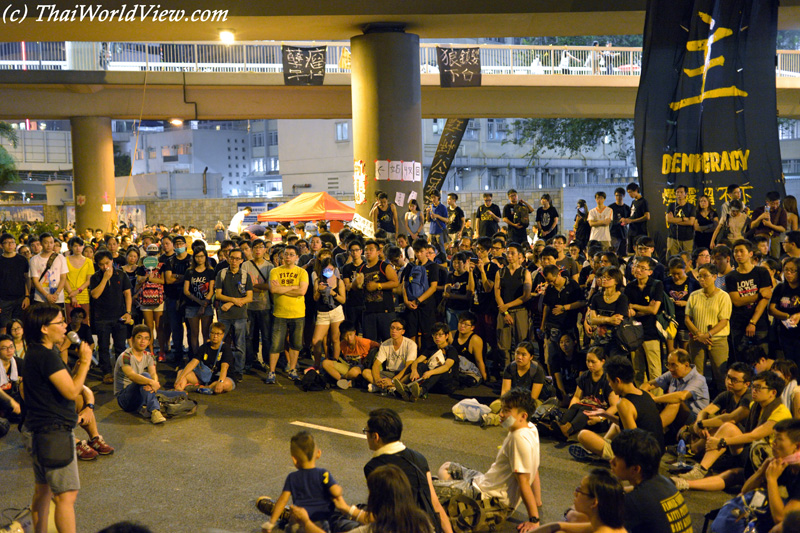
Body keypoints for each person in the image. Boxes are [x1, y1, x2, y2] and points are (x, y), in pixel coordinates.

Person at [22, 302, 93, 533]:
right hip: (54, 432)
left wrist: (76, 368)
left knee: (43, 491)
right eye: (60, 322)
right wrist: (85, 361)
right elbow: (72, 391)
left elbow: (63, 383)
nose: (65, 326)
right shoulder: (46, 355)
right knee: (66, 496)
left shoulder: (36, 351)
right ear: (44, 328)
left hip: (39, 431)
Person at [435, 388, 541, 531]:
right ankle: (456, 497)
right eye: (502, 409)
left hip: (488, 497)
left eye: (507, 411)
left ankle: (462, 502)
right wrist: (538, 501)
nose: (501, 414)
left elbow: (523, 481)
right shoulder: (531, 428)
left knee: (427, 489)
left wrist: (534, 520)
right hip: (485, 482)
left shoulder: (518, 438)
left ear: (523, 415)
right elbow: (534, 469)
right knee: (447, 467)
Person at [674, 370, 790, 486]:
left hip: (766, 458)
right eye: (754, 386)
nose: (754, 390)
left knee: (732, 473)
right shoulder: (754, 405)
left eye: (759, 387)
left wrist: (722, 441)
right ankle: (697, 471)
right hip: (752, 450)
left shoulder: (780, 413)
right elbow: (722, 416)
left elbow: (754, 435)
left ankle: (693, 475)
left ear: (773, 392)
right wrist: (700, 424)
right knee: (727, 427)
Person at [362, 408, 452, 533]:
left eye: (366, 431)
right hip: (430, 526)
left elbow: (382, 516)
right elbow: (434, 503)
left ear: (375, 436)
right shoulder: (419, 458)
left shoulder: (374, 468)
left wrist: (350, 511)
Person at [258, 431, 359, 533]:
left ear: (294, 460)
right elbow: (336, 492)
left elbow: (282, 500)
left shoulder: (292, 477)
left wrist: (271, 522)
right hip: (320, 522)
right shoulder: (324, 474)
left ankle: (285, 518)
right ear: (318, 454)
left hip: (298, 521)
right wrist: (338, 489)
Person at [572, 356, 664, 461]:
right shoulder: (644, 394)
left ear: (617, 381)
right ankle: (601, 448)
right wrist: (605, 414)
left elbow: (634, 440)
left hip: (643, 456)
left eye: (609, 381)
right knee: (616, 425)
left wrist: (617, 450)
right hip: (657, 450)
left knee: (583, 435)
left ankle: (604, 453)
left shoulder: (624, 404)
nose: (610, 385)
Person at [679, 362, 752, 459]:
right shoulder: (728, 394)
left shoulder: (749, 398)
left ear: (746, 384)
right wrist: (700, 425)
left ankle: (693, 449)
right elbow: (704, 411)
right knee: (709, 421)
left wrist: (701, 424)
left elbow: (731, 419)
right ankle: (692, 446)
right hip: (726, 440)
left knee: (725, 424)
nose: (729, 382)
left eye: (734, 380)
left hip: (744, 443)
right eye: (728, 377)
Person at [641, 349, 710, 434]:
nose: (670, 369)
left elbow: (681, 396)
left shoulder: (698, 379)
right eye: (668, 365)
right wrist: (643, 393)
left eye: (673, 365)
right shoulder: (673, 374)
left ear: (686, 365)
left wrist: (654, 399)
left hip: (694, 420)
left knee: (675, 402)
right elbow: (648, 384)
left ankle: (653, 430)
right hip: (674, 416)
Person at [536, 468, 626, 533]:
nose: (575, 494)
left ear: (594, 502)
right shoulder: (607, 524)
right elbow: (559, 525)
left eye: (580, 490)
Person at [90, 250, 133, 385]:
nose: (105, 267)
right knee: (103, 346)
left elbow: (127, 294)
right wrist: (105, 278)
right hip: (102, 317)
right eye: (101, 264)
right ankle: (106, 372)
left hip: (119, 316)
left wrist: (128, 312)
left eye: (107, 263)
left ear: (112, 261)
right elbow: (95, 295)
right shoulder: (96, 277)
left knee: (120, 346)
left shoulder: (121, 275)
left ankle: (122, 371)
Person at [727, 239, 772, 363]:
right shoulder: (731, 276)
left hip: (760, 323)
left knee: (762, 360)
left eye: (741, 251)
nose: (738, 254)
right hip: (738, 323)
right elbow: (736, 301)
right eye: (735, 252)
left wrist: (753, 322)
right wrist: (759, 296)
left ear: (750, 253)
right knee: (741, 361)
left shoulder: (761, 272)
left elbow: (765, 300)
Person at [557, 347, 617, 440]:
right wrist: (571, 411)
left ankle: (568, 430)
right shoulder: (585, 376)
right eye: (588, 361)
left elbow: (614, 406)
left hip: (599, 415)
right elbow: (576, 397)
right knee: (575, 407)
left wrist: (600, 418)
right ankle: (560, 427)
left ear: (602, 361)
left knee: (584, 410)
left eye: (593, 362)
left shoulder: (608, 379)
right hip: (585, 406)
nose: (590, 365)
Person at [113, 325, 167, 424]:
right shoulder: (125, 356)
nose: (143, 341)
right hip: (125, 398)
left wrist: (154, 384)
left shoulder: (149, 356)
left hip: (142, 391)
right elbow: (132, 376)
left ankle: (146, 406)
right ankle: (155, 411)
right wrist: (151, 382)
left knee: (180, 394)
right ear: (133, 339)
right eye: (139, 337)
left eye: (146, 338)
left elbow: (154, 373)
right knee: (145, 376)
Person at [624, 256, 664, 385]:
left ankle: (657, 399)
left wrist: (635, 307)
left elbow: (654, 310)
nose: (638, 270)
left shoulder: (657, 284)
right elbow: (628, 311)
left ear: (650, 272)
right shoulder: (629, 287)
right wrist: (645, 309)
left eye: (642, 268)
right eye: (636, 266)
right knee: (637, 369)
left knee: (654, 369)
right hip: (634, 333)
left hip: (651, 331)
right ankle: (641, 397)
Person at [215, 248, 253, 383]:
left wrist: (231, 302)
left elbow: (249, 297)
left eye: (237, 259)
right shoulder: (222, 273)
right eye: (232, 258)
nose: (234, 261)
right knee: (218, 342)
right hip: (224, 315)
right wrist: (234, 300)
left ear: (242, 260)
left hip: (240, 315)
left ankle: (238, 371)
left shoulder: (244, 275)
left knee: (240, 345)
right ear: (228, 258)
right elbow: (218, 294)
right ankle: (217, 367)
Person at [396, 322, 458, 401]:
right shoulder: (431, 348)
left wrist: (430, 372)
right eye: (435, 335)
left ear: (446, 336)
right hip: (432, 383)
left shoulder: (451, 350)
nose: (437, 337)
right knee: (421, 365)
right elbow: (416, 362)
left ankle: (419, 391)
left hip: (447, 384)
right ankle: (410, 389)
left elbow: (446, 367)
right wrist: (414, 371)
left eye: (440, 335)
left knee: (439, 369)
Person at [495, 242, 532, 367]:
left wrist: (508, 306)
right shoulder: (500, 273)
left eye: (512, 253)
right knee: (504, 346)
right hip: (504, 312)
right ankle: (507, 373)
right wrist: (505, 312)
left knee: (521, 343)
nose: (509, 256)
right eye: (507, 253)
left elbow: (526, 296)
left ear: (519, 255)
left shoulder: (525, 273)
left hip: (520, 311)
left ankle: (520, 372)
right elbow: (497, 294)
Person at [354, 239, 399, 343]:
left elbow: (395, 282)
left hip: (385, 311)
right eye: (366, 250)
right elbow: (354, 287)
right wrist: (356, 282)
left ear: (378, 252)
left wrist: (378, 286)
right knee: (370, 343)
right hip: (368, 312)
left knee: (388, 342)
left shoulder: (384, 266)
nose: (368, 252)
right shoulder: (361, 269)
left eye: (371, 249)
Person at [174, 322, 235, 394]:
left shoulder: (226, 348)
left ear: (223, 335)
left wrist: (220, 381)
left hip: (221, 377)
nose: (215, 336)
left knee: (226, 384)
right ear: (209, 334)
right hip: (204, 377)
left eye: (218, 334)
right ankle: (180, 390)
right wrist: (180, 378)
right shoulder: (204, 347)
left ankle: (202, 388)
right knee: (181, 372)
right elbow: (193, 363)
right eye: (213, 333)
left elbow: (224, 367)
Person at [310, 256, 346, 368]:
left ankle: (334, 364)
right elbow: (315, 298)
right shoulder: (318, 281)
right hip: (322, 313)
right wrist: (319, 291)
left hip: (336, 312)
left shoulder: (339, 282)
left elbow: (343, 300)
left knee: (335, 339)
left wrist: (332, 293)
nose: (328, 272)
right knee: (316, 340)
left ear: (335, 269)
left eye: (331, 269)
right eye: (326, 270)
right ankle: (317, 364)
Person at [364, 318, 416, 393]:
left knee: (410, 375)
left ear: (403, 331)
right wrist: (377, 379)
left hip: (403, 373)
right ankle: (386, 387)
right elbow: (376, 364)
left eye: (398, 329)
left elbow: (408, 366)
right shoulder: (385, 344)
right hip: (389, 373)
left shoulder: (411, 344)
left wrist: (392, 381)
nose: (394, 331)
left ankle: (387, 387)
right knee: (366, 372)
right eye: (392, 328)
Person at [321, 320, 378, 389]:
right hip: (349, 367)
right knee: (325, 363)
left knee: (354, 372)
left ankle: (343, 380)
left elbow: (379, 346)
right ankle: (344, 381)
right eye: (346, 336)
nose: (349, 338)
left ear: (354, 332)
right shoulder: (342, 344)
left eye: (351, 334)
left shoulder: (363, 342)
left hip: (361, 369)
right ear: (342, 336)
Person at [586, 267, 628, 356]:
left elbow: (617, 320)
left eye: (608, 278)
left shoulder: (622, 298)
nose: (604, 279)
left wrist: (599, 318)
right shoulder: (596, 297)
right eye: (603, 277)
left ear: (616, 281)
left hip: (617, 339)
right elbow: (592, 319)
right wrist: (608, 319)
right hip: (599, 338)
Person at [183, 247, 215, 360]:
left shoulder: (210, 271)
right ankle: (196, 357)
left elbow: (211, 290)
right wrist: (199, 302)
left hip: (206, 305)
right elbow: (186, 290)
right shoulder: (189, 271)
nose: (199, 259)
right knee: (194, 333)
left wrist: (204, 304)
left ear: (205, 257)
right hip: (192, 306)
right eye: (197, 256)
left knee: (206, 333)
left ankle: (206, 357)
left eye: (202, 256)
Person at [135, 244, 166, 358]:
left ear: (158, 254)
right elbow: (138, 282)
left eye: (154, 254)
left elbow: (163, 280)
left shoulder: (162, 266)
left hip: (159, 299)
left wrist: (150, 278)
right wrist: (146, 278)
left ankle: (162, 350)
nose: (153, 256)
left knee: (159, 327)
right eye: (150, 254)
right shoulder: (142, 267)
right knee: (149, 327)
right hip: (145, 300)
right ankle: (151, 351)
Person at [770, 257, 800, 363]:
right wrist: (787, 316)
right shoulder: (780, 288)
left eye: (792, 271)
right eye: (786, 270)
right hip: (784, 332)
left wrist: (798, 315)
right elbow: (771, 309)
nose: (788, 273)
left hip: (798, 333)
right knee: (788, 362)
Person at [0, 233, 31, 335]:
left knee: (19, 327)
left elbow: (26, 279)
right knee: (4, 329)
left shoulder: (22, 260)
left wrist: (27, 296)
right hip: (4, 300)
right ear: (1, 245)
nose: (10, 245)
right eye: (7, 243)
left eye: (12, 242)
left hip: (20, 298)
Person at [29, 232, 68, 307]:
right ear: (41, 243)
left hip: (58, 298)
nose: (49, 245)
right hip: (40, 298)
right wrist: (47, 295)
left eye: (51, 242)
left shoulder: (60, 257)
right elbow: (35, 280)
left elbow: (63, 277)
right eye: (46, 243)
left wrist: (57, 294)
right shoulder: (34, 259)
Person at [751, 191, 788, 258]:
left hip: (774, 238)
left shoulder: (782, 212)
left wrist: (770, 225)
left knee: (775, 258)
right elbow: (752, 226)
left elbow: (783, 229)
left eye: (777, 203)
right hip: (760, 238)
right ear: (767, 202)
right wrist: (760, 217)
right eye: (772, 203)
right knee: (759, 257)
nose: (775, 206)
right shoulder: (758, 210)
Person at [665, 185, 696, 256]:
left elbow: (691, 222)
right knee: (672, 258)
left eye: (681, 192)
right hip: (673, 237)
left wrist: (674, 220)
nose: (679, 194)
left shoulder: (691, 206)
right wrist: (683, 219)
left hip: (687, 238)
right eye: (677, 192)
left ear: (686, 194)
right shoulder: (671, 205)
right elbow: (669, 220)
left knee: (687, 258)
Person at [622, 183, 649, 253]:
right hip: (631, 231)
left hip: (639, 231)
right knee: (630, 252)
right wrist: (626, 220)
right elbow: (633, 215)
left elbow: (647, 216)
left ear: (636, 190)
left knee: (639, 251)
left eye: (631, 192)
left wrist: (632, 220)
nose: (630, 194)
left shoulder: (643, 201)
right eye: (628, 193)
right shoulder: (634, 202)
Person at [609, 187, 630, 257]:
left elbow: (630, 219)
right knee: (613, 253)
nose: (618, 197)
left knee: (623, 253)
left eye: (620, 195)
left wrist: (626, 221)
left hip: (624, 233)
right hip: (614, 233)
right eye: (616, 195)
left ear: (623, 195)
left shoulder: (626, 208)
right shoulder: (611, 208)